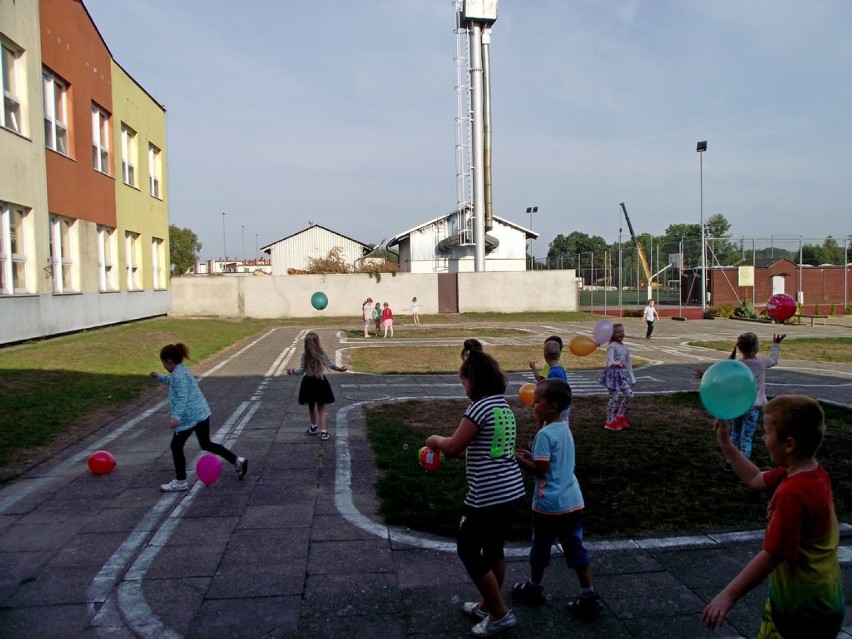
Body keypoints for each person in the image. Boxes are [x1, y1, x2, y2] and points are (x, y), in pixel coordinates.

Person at [702, 395, 844, 638]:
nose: (762, 438)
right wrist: (726, 444)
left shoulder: (794, 494)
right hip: (817, 601)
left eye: (767, 433)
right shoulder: (808, 471)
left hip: (803, 611)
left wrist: (728, 595)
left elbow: (773, 554)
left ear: (789, 444)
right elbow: (755, 479)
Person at [425, 350, 525, 637]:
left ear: (475, 381)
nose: (464, 387)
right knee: (493, 547)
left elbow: (455, 445)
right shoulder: (502, 406)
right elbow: (477, 446)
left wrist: (435, 441)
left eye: (464, 382)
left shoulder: (478, 408)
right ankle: (488, 604)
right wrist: (451, 450)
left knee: (468, 548)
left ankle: (500, 613)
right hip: (511, 490)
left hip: (487, 495)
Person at [512, 379, 603, 619]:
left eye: (538, 401)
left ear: (551, 407)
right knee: (575, 547)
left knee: (541, 546)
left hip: (548, 505)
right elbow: (551, 461)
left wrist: (520, 460)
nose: (533, 403)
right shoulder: (563, 429)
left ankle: (534, 586)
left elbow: (541, 470)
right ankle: (588, 594)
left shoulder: (544, 435)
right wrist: (532, 453)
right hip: (572, 501)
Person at [149, 343, 247, 492]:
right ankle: (237, 460)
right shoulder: (181, 371)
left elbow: (182, 397)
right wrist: (160, 377)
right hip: (201, 413)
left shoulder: (179, 375)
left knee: (176, 446)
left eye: (164, 364)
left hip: (190, 418)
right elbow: (174, 383)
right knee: (206, 443)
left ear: (169, 361)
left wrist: (176, 417)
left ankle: (181, 482)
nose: (164, 367)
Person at [724, 332, 785, 470]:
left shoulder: (737, 365)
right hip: (753, 408)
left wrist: (706, 376)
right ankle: (743, 466)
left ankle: (730, 462)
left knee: (735, 433)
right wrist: (776, 344)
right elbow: (774, 360)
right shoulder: (761, 363)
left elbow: (726, 379)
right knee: (746, 437)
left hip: (738, 407)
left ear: (739, 348)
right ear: (756, 349)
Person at [287, 331, 348, 441]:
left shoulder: (304, 356)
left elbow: (301, 371)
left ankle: (314, 427)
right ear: (318, 342)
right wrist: (340, 369)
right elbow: (331, 365)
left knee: (311, 406)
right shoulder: (322, 354)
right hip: (320, 383)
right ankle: (324, 432)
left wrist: (291, 371)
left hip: (308, 383)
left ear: (306, 344)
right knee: (321, 408)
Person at [598, 323, 635, 431]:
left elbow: (628, 363)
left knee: (630, 395)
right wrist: (616, 363)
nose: (621, 333)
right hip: (612, 375)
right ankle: (609, 421)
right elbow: (610, 362)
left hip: (620, 375)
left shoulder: (625, 348)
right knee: (614, 397)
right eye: (618, 332)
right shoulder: (612, 346)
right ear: (613, 335)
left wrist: (632, 377)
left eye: (622, 331)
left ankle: (619, 415)